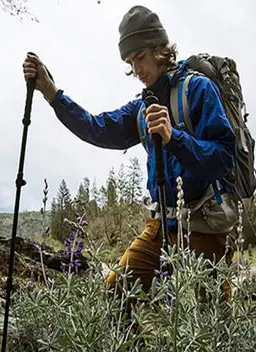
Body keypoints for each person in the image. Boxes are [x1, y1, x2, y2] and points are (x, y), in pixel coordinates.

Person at [22, 5, 236, 297]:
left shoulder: (198, 89)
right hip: (160, 226)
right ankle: (138, 346)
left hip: (205, 227)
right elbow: (96, 128)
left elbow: (224, 158)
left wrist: (175, 138)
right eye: (129, 61)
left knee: (213, 323)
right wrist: (51, 93)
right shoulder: (140, 109)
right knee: (115, 292)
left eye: (141, 57)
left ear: (160, 50)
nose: (136, 69)